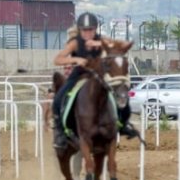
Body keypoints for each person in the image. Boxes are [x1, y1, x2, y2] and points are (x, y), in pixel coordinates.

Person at [50, 12, 138, 140]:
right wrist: (76, 59)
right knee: (59, 97)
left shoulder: (102, 40)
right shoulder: (75, 43)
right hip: (80, 74)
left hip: (98, 76)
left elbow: (123, 44)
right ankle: (59, 130)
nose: (87, 33)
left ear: (95, 29)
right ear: (80, 30)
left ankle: (123, 125)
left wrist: (100, 44)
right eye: (84, 30)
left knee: (121, 96)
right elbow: (57, 60)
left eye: (90, 30)